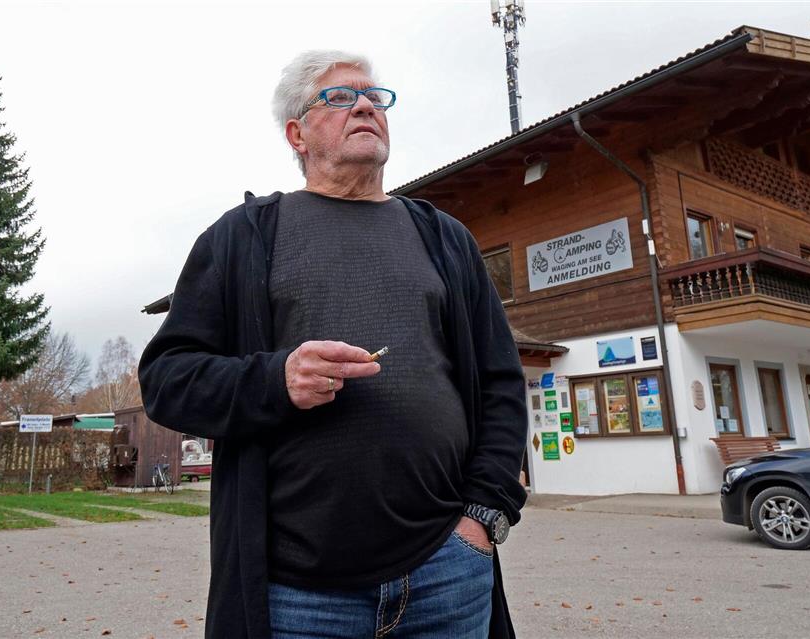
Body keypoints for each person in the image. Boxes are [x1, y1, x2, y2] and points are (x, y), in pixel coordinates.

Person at [139, 50, 528, 639]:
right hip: (294, 592)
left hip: (446, 574)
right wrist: (275, 380)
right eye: (341, 97)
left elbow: (500, 382)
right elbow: (167, 379)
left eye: (375, 96)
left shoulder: (444, 238)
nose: (367, 105)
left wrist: (483, 516)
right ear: (297, 134)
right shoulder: (242, 238)